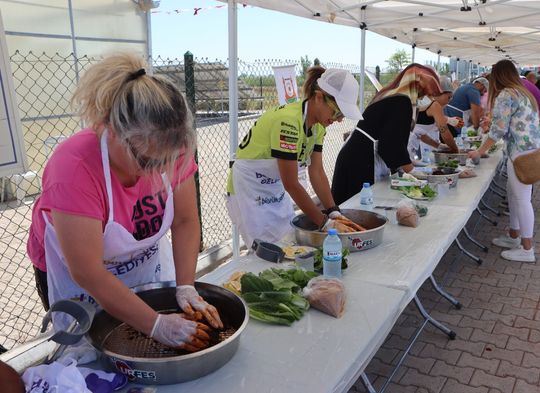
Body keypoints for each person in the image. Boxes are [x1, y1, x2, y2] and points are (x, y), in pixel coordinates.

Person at [27, 53, 221, 353]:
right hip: (77, 275)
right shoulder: (74, 168)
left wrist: (186, 286)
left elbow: (184, 220)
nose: (157, 171)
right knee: (91, 350)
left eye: (166, 161)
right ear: (111, 130)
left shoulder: (173, 145)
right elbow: (87, 272)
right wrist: (156, 325)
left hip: (140, 261)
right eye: (145, 160)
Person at [226, 67, 363, 246]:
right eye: (337, 112)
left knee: (288, 242)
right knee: (265, 249)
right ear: (319, 97)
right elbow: (291, 183)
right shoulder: (288, 122)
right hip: (249, 188)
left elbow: (317, 171)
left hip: (273, 186)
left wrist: (333, 211)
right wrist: (324, 223)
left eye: (343, 115)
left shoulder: (318, 126)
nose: (339, 120)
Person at [331, 63, 442, 205]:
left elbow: (391, 139)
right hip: (362, 159)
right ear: (415, 84)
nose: (423, 96)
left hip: (357, 154)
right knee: (357, 208)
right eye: (422, 91)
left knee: (353, 206)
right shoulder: (402, 101)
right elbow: (390, 145)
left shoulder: (393, 95)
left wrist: (405, 169)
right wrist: (413, 172)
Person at [468, 60, 540, 263]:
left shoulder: (506, 94)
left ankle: (527, 248)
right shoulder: (523, 92)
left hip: (521, 153)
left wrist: (479, 151)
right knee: (514, 195)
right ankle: (514, 236)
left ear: (497, 77)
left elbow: (498, 130)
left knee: (521, 200)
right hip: (531, 149)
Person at [407, 76, 461, 162]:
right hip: (405, 146)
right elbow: (445, 133)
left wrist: (439, 146)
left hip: (407, 146)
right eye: (448, 97)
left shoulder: (424, 101)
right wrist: (456, 151)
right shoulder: (434, 105)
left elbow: (420, 133)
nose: (449, 101)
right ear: (438, 93)